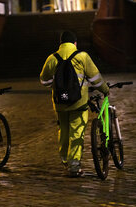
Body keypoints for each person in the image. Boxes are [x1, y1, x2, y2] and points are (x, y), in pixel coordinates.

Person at [40, 31, 109, 177]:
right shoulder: (82, 57)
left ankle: (65, 160)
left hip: (60, 103)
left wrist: (58, 84)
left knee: (63, 131)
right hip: (79, 103)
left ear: (61, 44)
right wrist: (105, 89)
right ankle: (74, 166)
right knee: (76, 132)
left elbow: (44, 81)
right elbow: (96, 78)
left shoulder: (52, 58)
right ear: (75, 43)